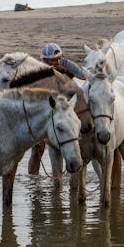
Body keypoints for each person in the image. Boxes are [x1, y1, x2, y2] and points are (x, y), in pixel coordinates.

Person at [27, 43, 86, 175]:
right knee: (37, 150)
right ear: (45, 60)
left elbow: (83, 81)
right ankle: (33, 180)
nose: (58, 62)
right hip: (43, 113)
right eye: (53, 60)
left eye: (59, 58)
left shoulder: (67, 64)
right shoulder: (37, 70)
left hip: (65, 110)